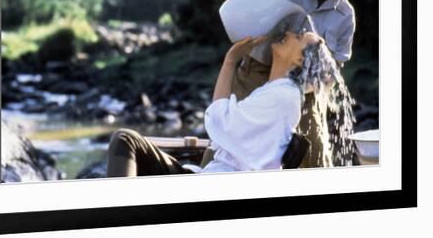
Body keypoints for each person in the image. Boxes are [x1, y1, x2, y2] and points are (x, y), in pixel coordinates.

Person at [215, 0, 377, 167]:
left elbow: (330, 77)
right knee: (226, 151)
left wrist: (290, 88)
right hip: (253, 76)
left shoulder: (345, 16)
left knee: (315, 163)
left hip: (303, 93)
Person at [106, 29, 336, 177]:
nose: (290, 32)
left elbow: (219, 121)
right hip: (213, 177)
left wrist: (231, 60)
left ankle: (118, 219)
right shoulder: (277, 92)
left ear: (300, 59)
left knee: (125, 140)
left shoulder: (284, 96)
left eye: (299, 36)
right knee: (128, 142)